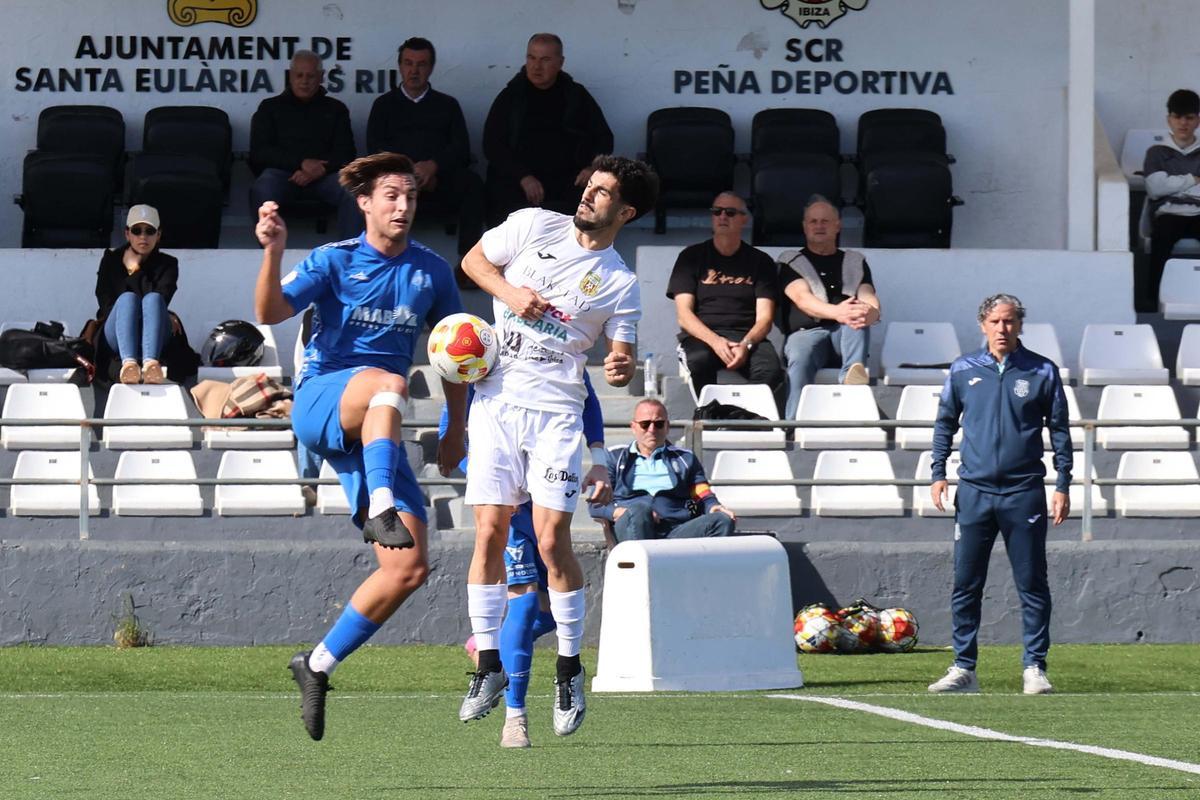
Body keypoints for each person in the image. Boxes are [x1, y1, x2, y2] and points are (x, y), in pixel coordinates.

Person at [254, 152, 468, 741]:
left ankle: (317, 664)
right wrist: (273, 251)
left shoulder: (432, 271)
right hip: (324, 399)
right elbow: (270, 311)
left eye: (411, 196)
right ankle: (380, 504)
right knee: (391, 380)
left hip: (378, 420)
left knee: (409, 568)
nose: (403, 206)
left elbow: (455, 353)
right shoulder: (334, 259)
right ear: (365, 203)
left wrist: (457, 427)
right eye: (392, 196)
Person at [458, 154, 659, 738]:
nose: (588, 196)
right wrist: (510, 293)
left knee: (551, 541)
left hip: (555, 413)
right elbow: (473, 261)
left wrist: (620, 366)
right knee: (489, 532)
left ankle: (569, 666)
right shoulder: (531, 224)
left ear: (625, 211)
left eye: (603, 193)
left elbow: (620, 357)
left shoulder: (620, 283)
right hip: (495, 400)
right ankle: (489, 667)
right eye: (589, 185)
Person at [444, 371, 608, 749]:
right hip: (512, 505)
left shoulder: (556, 343)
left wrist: (598, 454)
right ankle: (514, 718)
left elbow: (588, 398)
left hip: (549, 487)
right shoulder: (484, 346)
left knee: (551, 608)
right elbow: (454, 419)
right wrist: (494, 482)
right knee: (523, 596)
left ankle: (496, 647)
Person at [927, 293, 1071, 696]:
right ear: (982, 325)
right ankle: (963, 668)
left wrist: (1062, 484)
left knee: (1031, 581)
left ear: (1020, 325)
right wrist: (938, 473)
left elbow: (1059, 429)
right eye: (995, 322)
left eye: (1009, 322)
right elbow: (944, 424)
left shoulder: (1042, 370)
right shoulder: (963, 369)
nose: (1002, 329)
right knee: (966, 582)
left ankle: (1035, 667)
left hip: (1024, 491)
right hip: (974, 491)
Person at [366, 37, 485, 260]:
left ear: (431, 68)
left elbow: (461, 148)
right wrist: (409, 173)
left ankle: (468, 264)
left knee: (472, 185)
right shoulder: (383, 105)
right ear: (400, 66)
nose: (414, 70)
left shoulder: (447, 105)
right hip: (397, 180)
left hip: (438, 180)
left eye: (421, 64)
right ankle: (376, 259)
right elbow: (374, 148)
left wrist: (433, 167)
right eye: (409, 63)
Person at [666, 192, 785, 408]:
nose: (722, 216)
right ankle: (711, 416)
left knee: (771, 370)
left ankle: (748, 418)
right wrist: (716, 342)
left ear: (744, 219)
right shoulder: (691, 257)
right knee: (699, 361)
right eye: (717, 211)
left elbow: (765, 319)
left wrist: (746, 345)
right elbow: (684, 316)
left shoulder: (761, 262)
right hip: (702, 337)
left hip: (747, 337)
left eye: (730, 212)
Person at [482, 33, 613, 225]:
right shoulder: (511, 96)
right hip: (519, 181)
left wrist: (591, 167)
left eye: (545, 59)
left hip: (568, 180)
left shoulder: (576, 96)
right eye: (531, 58)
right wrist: (523, 177)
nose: (536, 66)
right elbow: (492, 144)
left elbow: (604, 138)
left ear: (560, 62)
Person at [777, 196, 882, 418]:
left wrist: (870, 313)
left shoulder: (855, 260)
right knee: (799, 355)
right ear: (805, 227)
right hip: (806, 335)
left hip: (845, 337)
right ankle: (793, 423)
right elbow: (802, 299)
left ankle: (851, 377)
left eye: (825, 221)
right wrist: (839, 313)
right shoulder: (790, 261)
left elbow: (868, 295)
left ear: (838, 225)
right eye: (813, 221)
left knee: (857, 318)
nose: (819, 226)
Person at [249, 50, 360, 240]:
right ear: (290, 76)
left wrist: (320, 169)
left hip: (325, 176)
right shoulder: (269, 107)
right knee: (262, 188)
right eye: (299, 75)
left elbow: (347, 153)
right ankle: (268, 256)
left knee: (353, 190)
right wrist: (300, 163)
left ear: (321, 77)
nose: (304, 81)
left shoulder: (336, 109)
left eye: (310, 76)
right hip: (283, 174)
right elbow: (259, 153)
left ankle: (351, 257)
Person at [594, 397, 736, 542]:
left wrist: (712, 506)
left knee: (722, 520)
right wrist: (619, 512)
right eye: (645, 424)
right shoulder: (614, 457)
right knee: (639, 510)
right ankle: (643, 562)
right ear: (633, 427)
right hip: (633, 525)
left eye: (659, 424)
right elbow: (596, 504)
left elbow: (701, 492)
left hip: (676, 530)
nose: (652, 430)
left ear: (667, 426)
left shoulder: (685, 459)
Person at [94, 204, 178, 385]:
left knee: (154, 299)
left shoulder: (168, 264)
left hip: (153, 334)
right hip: (117, 333)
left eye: (149, 231)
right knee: (127, 299)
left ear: (158, 234)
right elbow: (106, 303)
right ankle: (129, 364)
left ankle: (150, 364)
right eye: (137, 230)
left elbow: (161, 299)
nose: (143, 237)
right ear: (127, 234)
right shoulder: (111, 260)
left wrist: (136, 268)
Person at [1142, 88, 1200, 312]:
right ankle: (1151, 299)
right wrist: (1193, 179)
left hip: (1198, 214)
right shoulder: (1156, 152)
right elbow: (1155, 188)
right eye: (1177, 117)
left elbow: (1164, 184)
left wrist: (1173, 184)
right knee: (1162, 238)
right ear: (1169, 119)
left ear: (1198, 120)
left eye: (1189, 117)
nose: (1182, 123)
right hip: (1168, 212)